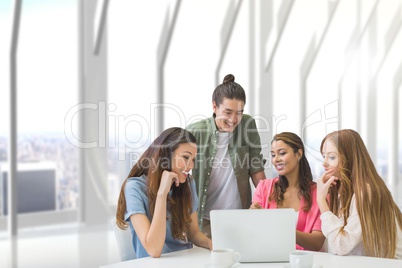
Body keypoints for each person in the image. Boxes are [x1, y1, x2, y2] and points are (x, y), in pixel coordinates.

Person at [186, 74, 266, 238]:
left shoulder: (247, 124)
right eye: (228, 112)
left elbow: (256, 167)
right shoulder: (195, 132)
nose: (233, 119)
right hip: (205, 219)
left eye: (239, 112)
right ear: (214, 107)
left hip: (240, 217)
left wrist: (269, 203)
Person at [115, 127, 212, 259]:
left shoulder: (188, 184)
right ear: (166, 155)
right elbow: (154, 250)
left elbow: (193, 232)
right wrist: (162, 194)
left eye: (193, 159)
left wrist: (212, 244)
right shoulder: (134, 188)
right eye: (186, 157)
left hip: (185, 261)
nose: (191, 166)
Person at [317, 129, 402, 258]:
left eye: (332, 157)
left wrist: (321, 201)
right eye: (324, 156)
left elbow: (342, 245)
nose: (324, 163)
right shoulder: (342, 190)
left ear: (349, 158)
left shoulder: (365, 192)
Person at [250, 132, 325, 251]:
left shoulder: (319, 193)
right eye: (273, 155)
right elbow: (254, 233)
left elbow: (317, 242)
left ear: (299, 154)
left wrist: (280, 226)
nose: (276, 160)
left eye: (282, 153)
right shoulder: (263, 187)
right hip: (269, 257)